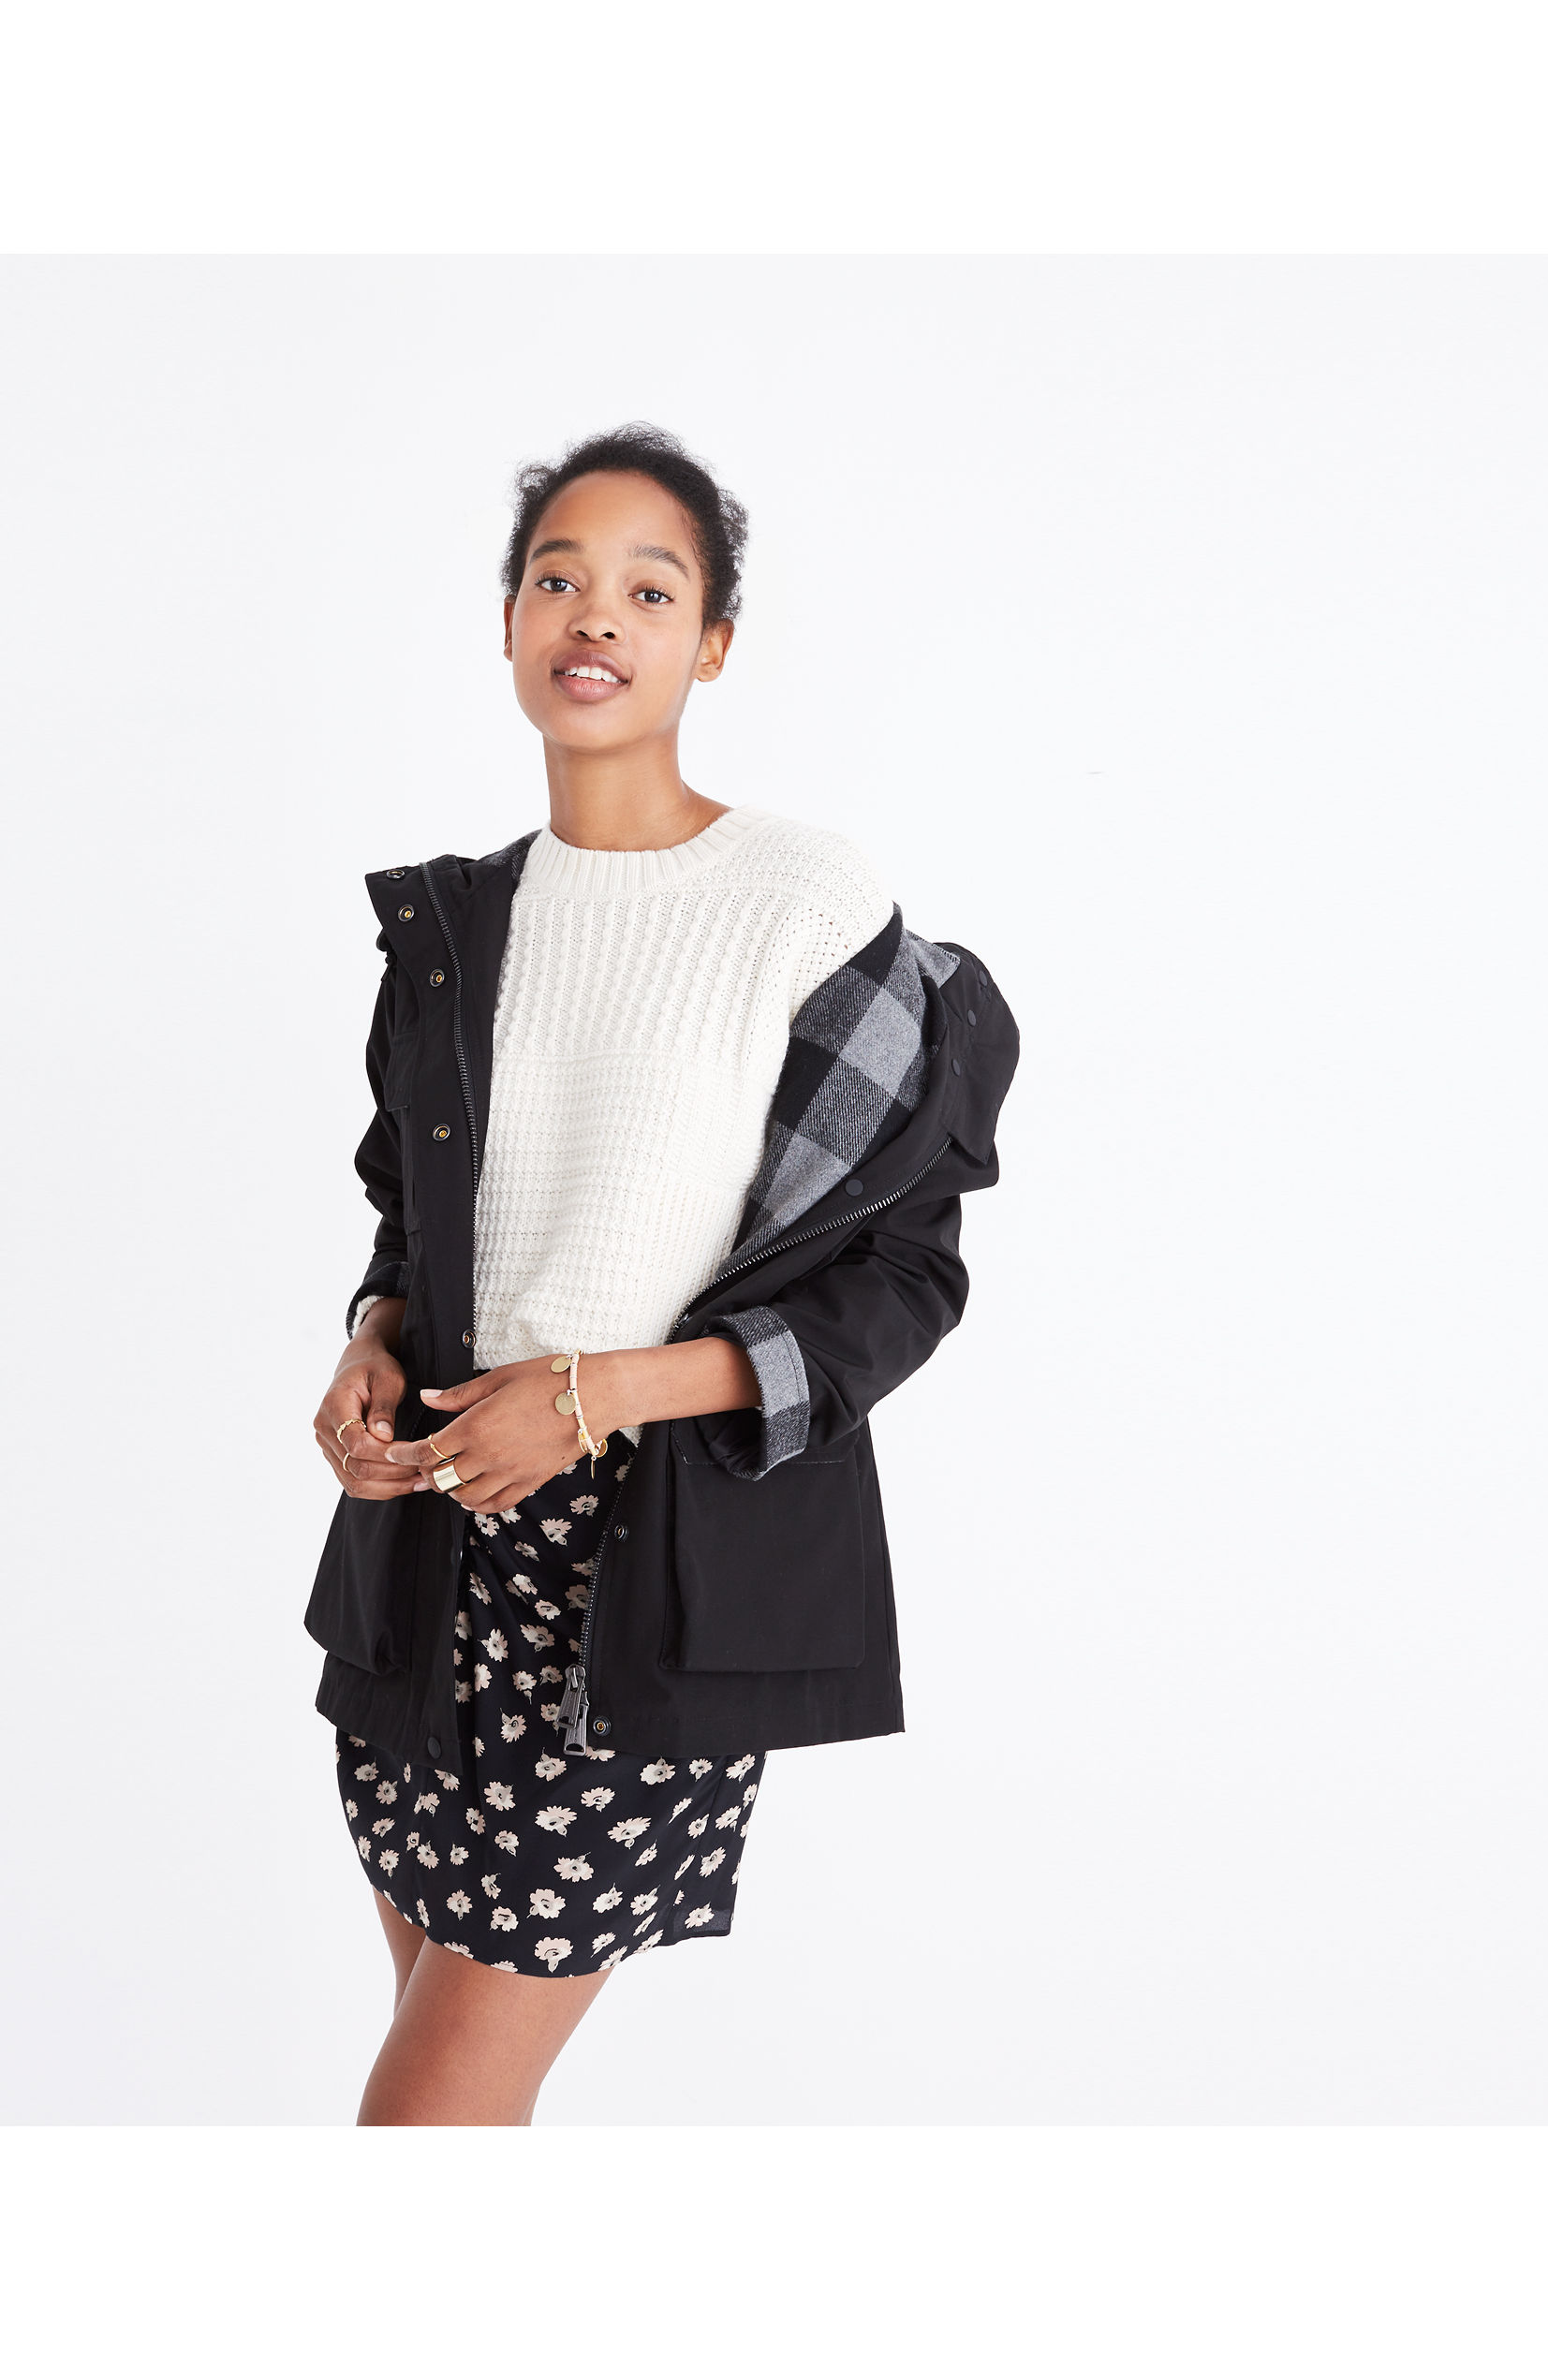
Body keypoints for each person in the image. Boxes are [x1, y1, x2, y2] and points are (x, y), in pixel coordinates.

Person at [307, 424, 1019, 2124]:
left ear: (712, 644)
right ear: (507, 622)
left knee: (423, 2119)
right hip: (426, 1563)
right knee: (451, 2094)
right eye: (558, 576)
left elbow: (901, 1272)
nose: (594, 615)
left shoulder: (804, 899)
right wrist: (370, 1344)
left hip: (642, 1575)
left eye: (649, 588)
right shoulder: (455, 926)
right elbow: (415, 1222)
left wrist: (597, 1393)